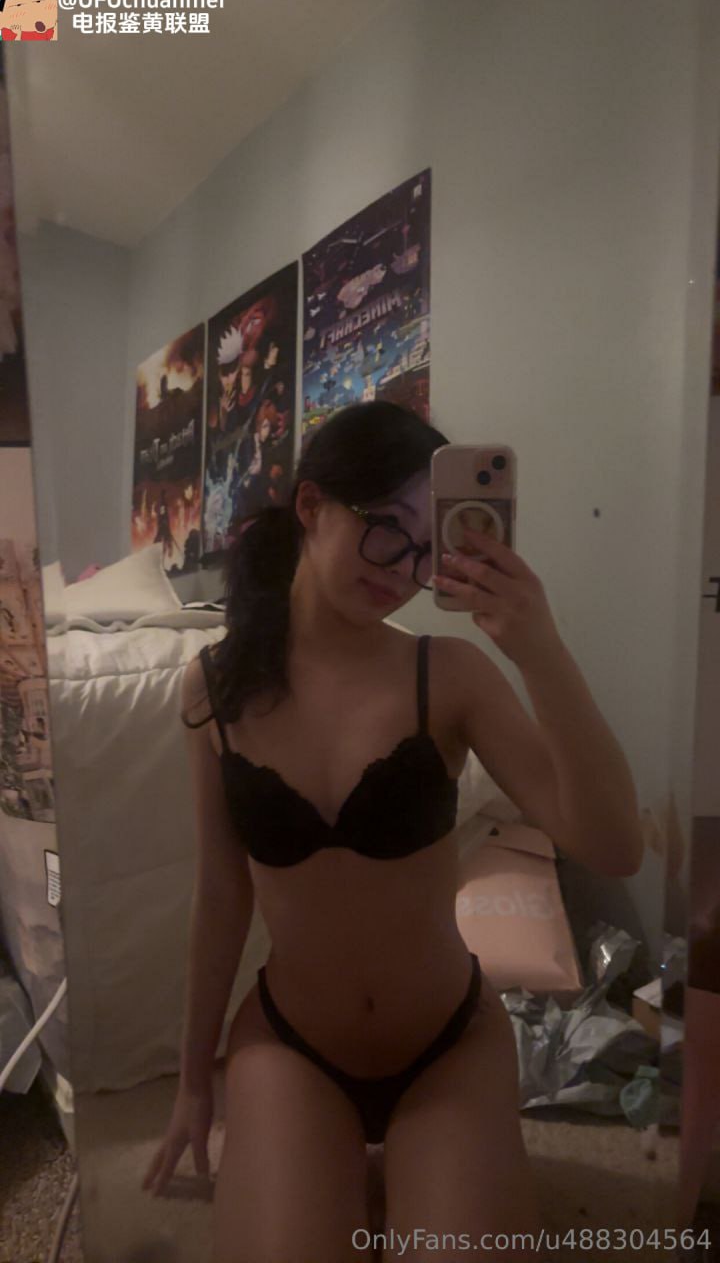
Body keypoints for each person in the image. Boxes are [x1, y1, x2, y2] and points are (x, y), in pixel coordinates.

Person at [142, 400, 644, 1261]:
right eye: (386, 531)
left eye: (423, 549)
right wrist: (193, 1082)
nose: (403, 570)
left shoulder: (449, 674)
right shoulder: (214, 690)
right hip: (292, 1046)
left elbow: (615, 847)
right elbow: (221, 896)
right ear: (312, 506)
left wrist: (539, 648)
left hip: (446, 1046)